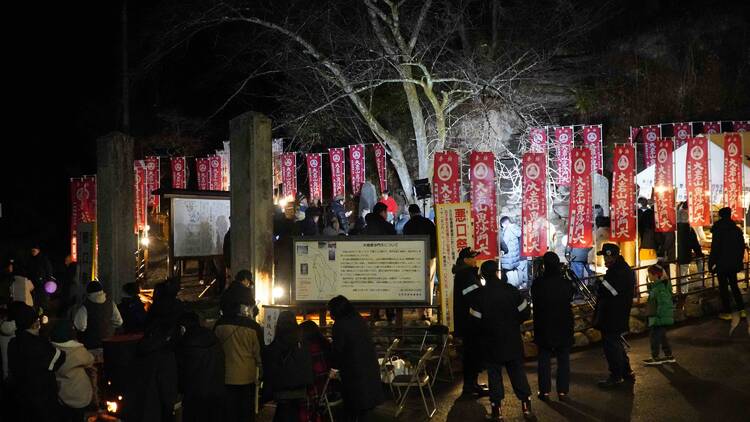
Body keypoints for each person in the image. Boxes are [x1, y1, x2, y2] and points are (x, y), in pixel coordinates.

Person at [472, 261, 533, 420]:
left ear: (483, 275)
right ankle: (526, 406)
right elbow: (525, 311)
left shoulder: (480, 295)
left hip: (490, 341)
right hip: (512, 338)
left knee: (494, 375)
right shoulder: (511, 290)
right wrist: (514, 323)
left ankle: (496, 410)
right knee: (517, 372)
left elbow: (475, 321)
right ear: (497, 272)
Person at [327, 295, 384, 421]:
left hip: (354, 371)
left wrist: (333, 368)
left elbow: (338, 350)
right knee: (363, 407)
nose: (330, 313)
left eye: (330, 310)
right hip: (367, 366)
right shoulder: (356, 318)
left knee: (354, 406)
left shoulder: (340, 324)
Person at [7, 302, 66, 421]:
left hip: (21, 397)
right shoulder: (37, 343)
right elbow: (59, 358)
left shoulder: (13, 343)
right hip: (42, 398)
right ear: (33, 322)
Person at [531, 252, 574, 401]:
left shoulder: (538, 283)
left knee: (544, 359)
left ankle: (545, 391)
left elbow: (534, 300)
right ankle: (563, 391)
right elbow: (570, 296)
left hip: (544, 325)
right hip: (563, 325)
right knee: (563, 360)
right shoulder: (565, 282)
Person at [215, 290, 263, 422]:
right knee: (245, 411)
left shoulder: (220, 325)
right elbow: (258, 353)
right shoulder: (253, 327)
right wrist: (261, 371)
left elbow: (216, 350)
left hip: (226, 376)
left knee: (228, 411)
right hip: (247, 377)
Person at [594, 244, 635, 388]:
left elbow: (610, 291)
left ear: (612, 255)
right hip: (618, 313)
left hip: (613, 314)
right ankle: (626, 371)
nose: (604, 259)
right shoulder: (623, 269)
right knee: (616, 343)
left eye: (606, 256)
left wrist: (599, 285)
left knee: (611, 346)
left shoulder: (618, 271)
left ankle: (616, 375)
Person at [122, 321, 179, 422]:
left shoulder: (136, 351)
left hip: (133, 408)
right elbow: (166, 388)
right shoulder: (165, 356)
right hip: (154, 409)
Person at [176, 312, 225, 422]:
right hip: (215, 392)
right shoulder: (213, 338)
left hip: (193, 395)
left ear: (183, 327)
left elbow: (181, 371)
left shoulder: (184, 343)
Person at [264, 311, 313, 422]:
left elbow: (270, 371)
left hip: (281, 392)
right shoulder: (302, 343)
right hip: (300, 390)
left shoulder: (274, 346)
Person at [451, 247, 486, 397]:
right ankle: (468, 387)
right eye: (472, 257)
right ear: (465, 260)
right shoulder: (465, 274)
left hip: (470, 321)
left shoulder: (466, 273)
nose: (475, 259)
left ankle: (473, 384)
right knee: (471, 355)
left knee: (474, 354)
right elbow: (474, 297)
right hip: (469, 322)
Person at [708, 207, 748, 336]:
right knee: (734, 285)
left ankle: (727, 312)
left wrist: (711, 263)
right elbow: (741, 247)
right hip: (733, 263)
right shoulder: (736, 230)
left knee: (724, 287)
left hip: (721, 263)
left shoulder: (718, 230)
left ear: (720, 216)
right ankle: (741, 309)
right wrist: (738, 260)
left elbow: (715, 249)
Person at [50, 320, 95, 422]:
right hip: (79, 394)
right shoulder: (77, 351)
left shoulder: (52, 350)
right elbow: (90, 361)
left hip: (62, 394)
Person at [403, 203, 438, 318]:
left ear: (410, 213)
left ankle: (420, 313)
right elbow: (435, 239)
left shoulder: (407, 225)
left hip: (415, 259)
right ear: (419, 211)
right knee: (429, 283)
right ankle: (429, 311)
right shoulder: (428, 223)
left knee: (418, 284)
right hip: (430, 257)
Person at [73, 280, 123, 350]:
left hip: (90, 344)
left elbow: (81, 326)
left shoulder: (85, 306)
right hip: (107, 343)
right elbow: (119, 322)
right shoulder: (111, 303)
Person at [642, 264, 676, 365]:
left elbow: (663, 303)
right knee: (661, 336)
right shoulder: (659, 286)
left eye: (649, 274)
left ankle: (655, 357)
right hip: (659, 316)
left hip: (658, 317)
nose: (648, 276)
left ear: (655, 275)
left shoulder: (660, 288)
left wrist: (659, 316)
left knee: (654, 337)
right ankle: (668, 355)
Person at [300, 320, 333, 422]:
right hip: (328, 389)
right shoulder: (326, 345)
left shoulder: (308, 349)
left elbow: (311, 374)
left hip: (315, 390)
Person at [676, 202, 704, 294]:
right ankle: (683, 293)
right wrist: (699, 253)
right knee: (683, 275)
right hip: (684, 255)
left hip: (674, 254)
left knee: (675, 275)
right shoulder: (689, 229)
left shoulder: (673, 228)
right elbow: (695, 244)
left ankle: (676, 292)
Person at [500, 216, 526, 289]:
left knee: (510, 276)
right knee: (514, 272)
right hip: (514, 258)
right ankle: (517, 289)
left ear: (504, 223)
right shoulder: (515, 228)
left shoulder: (507, 230)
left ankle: (513, 290)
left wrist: (501, 251)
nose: (502, 227)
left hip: (508, 257)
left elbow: (504, 243)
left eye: (502, 225)